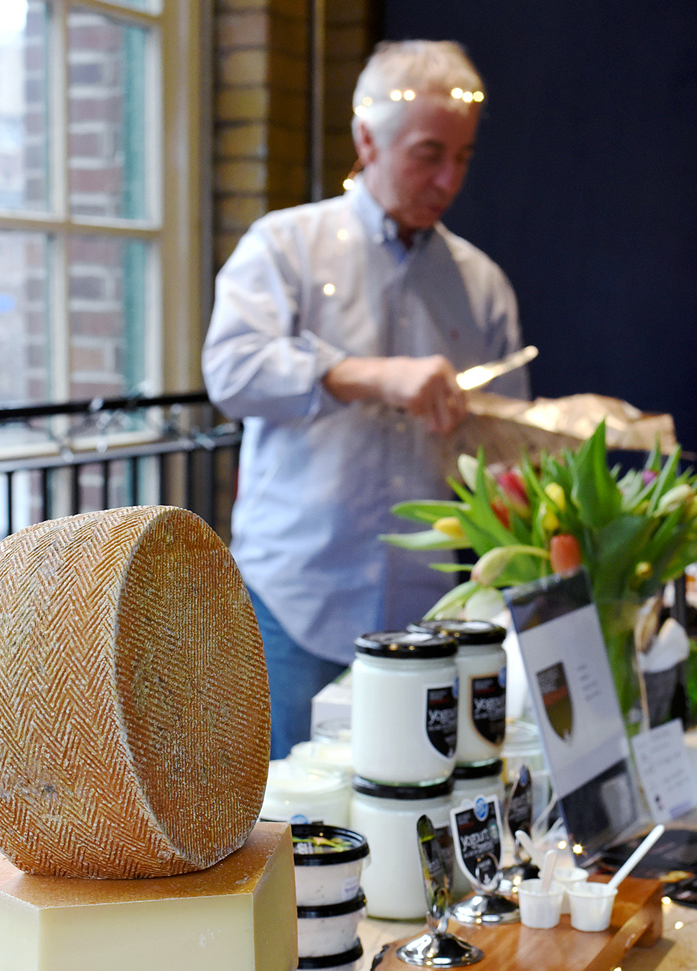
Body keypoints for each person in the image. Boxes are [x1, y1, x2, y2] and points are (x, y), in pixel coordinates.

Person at [202, 39, 530, 758]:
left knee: (407, 802)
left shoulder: (480, 283)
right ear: (366, 139)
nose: (447, 179)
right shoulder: (285, 246)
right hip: (293, 602)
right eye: (428, 154)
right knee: (284, 812)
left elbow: (507, 458)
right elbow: (229, 371)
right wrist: (369, 376)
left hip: (426, 612)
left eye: (463, 157)